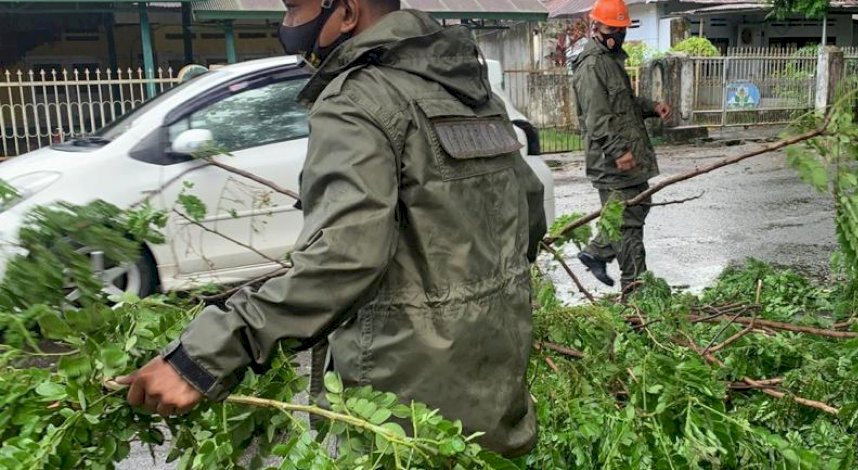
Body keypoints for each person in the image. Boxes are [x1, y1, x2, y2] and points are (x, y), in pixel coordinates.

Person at [116, 0, 545, 457]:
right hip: (498, 404)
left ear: (346, 12)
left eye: (294, 8)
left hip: (403, 422)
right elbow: (529, 215)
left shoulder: (358, 100)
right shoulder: (475, 95)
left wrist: (204, 356)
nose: (287, 25)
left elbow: (344, 258)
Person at [571, 0, 670, 292]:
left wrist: (653, 107)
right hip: (611, 161)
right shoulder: (592, 66)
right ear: (597, 27)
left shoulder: (611, 61)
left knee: (638, 204)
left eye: (621, 29)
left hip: (628, 157)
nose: (619, 34)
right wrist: (618, 151)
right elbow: (597, 118)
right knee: (628, 225)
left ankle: (598, 251)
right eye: (613, 28)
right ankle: (635, 297)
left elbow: (623, 105)